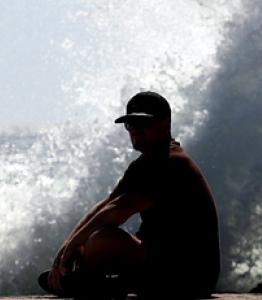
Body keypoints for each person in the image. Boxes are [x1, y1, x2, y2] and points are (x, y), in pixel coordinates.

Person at [39, 91, 221, 299]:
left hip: (189, 277)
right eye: (130, 125)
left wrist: (72, 248)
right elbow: (108, 203)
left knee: (102, 238)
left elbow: (119, 210)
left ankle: (86, 282)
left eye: (143, 123)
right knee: (95, 238)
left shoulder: (169, 162)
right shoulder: (144, 163)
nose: (135, 130)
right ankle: (92, 281)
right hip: (161, 266)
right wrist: (66, 248)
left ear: (165, 124)